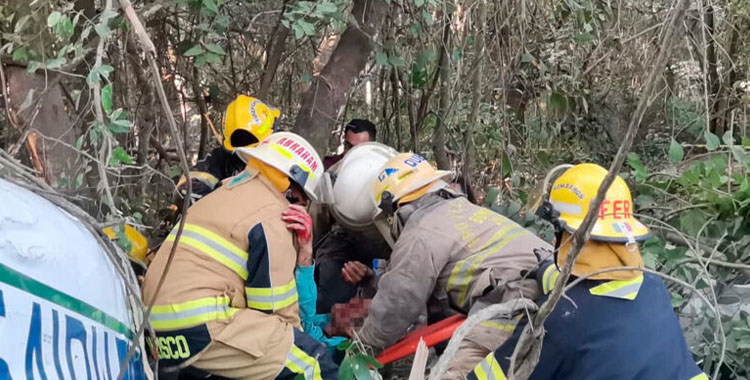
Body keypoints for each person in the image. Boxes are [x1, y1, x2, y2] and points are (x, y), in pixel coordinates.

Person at [469, 163, 708, 380]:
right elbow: (594, 295)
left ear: (567, 235)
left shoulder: (559, 318)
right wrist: (545, 272)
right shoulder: (653, 288)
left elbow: (492, 376)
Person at [332, 152, 551, 379]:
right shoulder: (462, 211)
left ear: (393, 206)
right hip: (551, 289)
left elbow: (396, 306)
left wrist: (360, 351)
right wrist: (372, 281)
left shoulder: (421, 230)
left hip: (516, 302)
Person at [142, 132, 338, 380]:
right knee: (316, 364)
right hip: (201, 330)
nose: (304, 204)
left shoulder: (220, 195)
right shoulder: (274, 217)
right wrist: (304, 340)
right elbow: (276, 315)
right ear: (291, 185)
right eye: (305, 197)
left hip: (159, 335)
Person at [176, 94, 280, 202]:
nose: (248, 154)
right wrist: (220, 195)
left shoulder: (286, 155)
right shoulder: (225, 158)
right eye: (243, 148)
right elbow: (188, 184)